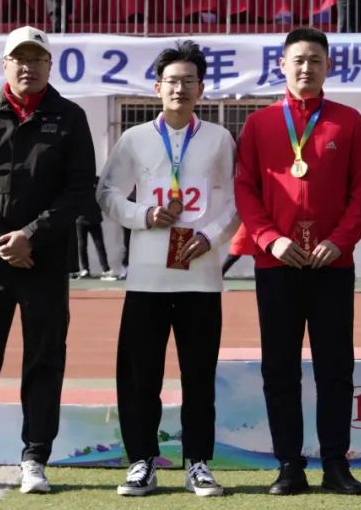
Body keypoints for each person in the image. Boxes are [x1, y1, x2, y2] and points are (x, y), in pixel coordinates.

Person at [0, 25, 95, 495]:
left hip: (44, 262)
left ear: (50, 65)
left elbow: (79, 188)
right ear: (5, 64)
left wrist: (31, 236)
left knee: (44, 360)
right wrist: (1, 240)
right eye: (19, 58)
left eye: (37, 58)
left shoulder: (70, 117)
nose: (28, 66)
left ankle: (35, 458)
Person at [234, 27, 361, 496]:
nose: (306, 68)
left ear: (328, 66)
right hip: (276, 265)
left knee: (335, 367)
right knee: (280, 369)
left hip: (331, 265)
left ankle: (335, 464)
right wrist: (269, 239)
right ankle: (289, 465)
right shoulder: (259, 124)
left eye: (315, 60)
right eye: (298, 60)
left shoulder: (348, 122)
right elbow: (245, 189)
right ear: (282, 65)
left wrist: (340, 241)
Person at [97, 40, 238, 497]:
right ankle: (142, 461)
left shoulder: (219, 138)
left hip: (201, 277)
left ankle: (198, 463)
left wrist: (210, 236)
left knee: (199, 376)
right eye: (172, 81)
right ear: (157, 87)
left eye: (188, 81)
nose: (180, 89)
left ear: (201, 88)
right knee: (140, 377)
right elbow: (107, 194)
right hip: (146, 277)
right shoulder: (134, 139)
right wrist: (143, 215)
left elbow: (237, 201)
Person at [74, 176, 111, 280]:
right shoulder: (78, 181)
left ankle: (106, 269)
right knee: (82, 245)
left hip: (94, 218)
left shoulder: (97, 181)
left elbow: (103, 196)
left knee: (99, 244)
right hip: (81, 219)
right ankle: (85, 269)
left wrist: (99, 208)